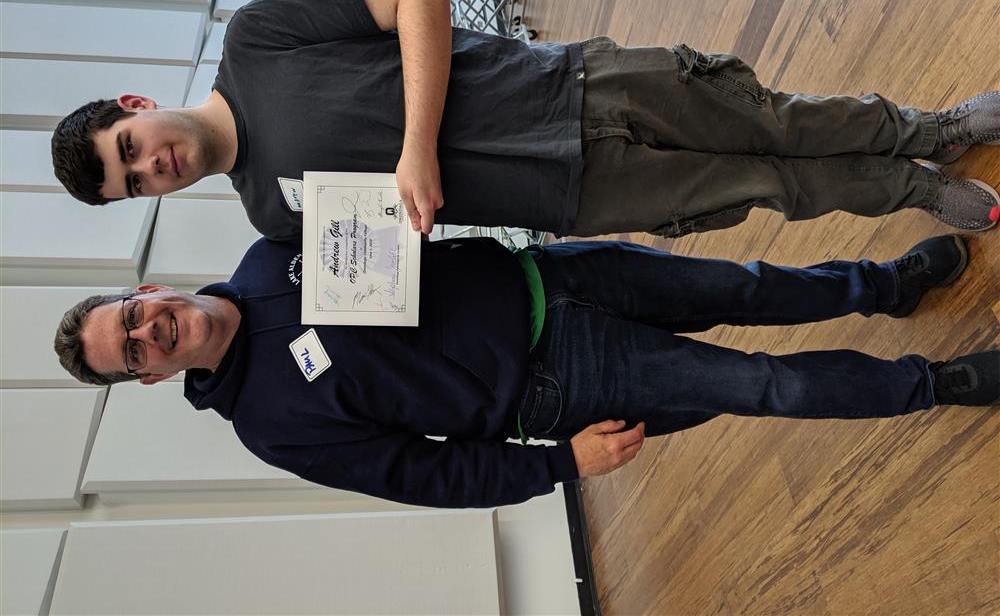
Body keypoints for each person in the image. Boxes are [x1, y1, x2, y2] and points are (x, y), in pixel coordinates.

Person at [51, 0, 1000, 240]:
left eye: (128, 146)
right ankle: (910, 191)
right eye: (132, 183)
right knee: (765, 187)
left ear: (135, 104)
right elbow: (398, 258)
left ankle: (936, 128)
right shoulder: (272, 219)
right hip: (568, 201)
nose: (149, 166)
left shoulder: (256, 38)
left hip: (565, 85)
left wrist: (417, 143)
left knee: (771, 119)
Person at [53, 233, 998, 509]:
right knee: (763, 386)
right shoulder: (270, 426)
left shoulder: (268, 257)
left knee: (747, 285)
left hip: (552, 271)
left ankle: (883, 286)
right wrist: (557, 467)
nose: (151, 333)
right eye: (133, 351)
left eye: (133, 317)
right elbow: (418, 473)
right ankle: (938, 385)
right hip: (558, 381)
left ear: (147, 288)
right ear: (144, 378)